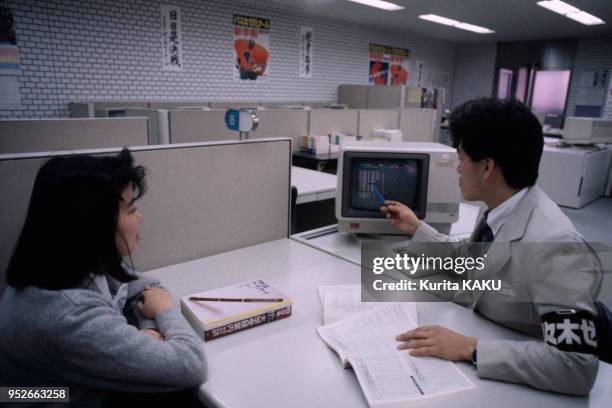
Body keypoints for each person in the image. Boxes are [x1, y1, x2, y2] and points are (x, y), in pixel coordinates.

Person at [381, 98, 602, 395]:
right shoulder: (501, 207)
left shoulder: (554, 244)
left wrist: (470, 347)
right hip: (484, 326)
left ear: (486, 167)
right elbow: (469, 259)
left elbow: (576, 365)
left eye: (461, 158)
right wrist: (416, 228)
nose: (457, 169)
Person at [0, 149, 207, 406]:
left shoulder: (62, 263)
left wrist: (148, 330)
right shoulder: (67, 317)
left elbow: (146, 287)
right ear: (93, 223)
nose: (140, 217)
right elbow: (190, 363)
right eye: (131, 210)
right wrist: (163, 310)